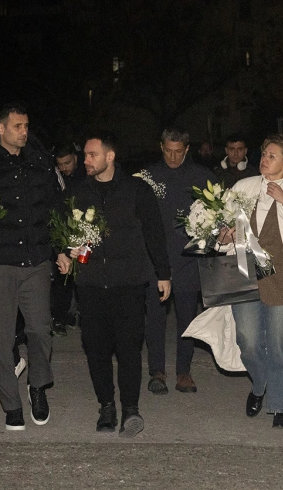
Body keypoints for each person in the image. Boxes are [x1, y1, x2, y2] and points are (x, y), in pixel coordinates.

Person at [184, 135, 283, 429]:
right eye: (264, 154)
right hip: (244, 275)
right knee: (247, 341)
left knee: (279, 345)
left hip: (280, 278)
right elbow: (224, 226)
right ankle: (260, 384)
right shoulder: (243, 187)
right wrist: (223, 237)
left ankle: (280, 406)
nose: (264, 159)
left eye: (272, 156)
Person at [57, 130, 170, 438]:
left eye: (92, 155)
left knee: (129, 349)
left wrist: (163, 273)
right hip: (90, 283)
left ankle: (131, 408)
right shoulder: (78, 192)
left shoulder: (136, 189)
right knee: (96, 349)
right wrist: (64, 252)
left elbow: (154, 232)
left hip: (128, 283)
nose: (86, 160)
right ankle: (106, 406)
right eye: (85, 155)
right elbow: (65, 232)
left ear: (110, 156)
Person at [0, 102, 59, 431]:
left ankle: (37, 386)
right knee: (1, 339)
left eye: (26, 125)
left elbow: (55, 207)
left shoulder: (40, 161)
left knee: (40, 330)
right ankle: (12, 404)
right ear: (0, 128)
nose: (24, 131)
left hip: (36, 261)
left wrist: (61, 247)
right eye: (18, 126)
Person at [142, 126, 217, 395]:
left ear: (187, 149)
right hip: (155, 259)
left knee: (187, 318)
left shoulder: (203, 177)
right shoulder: (147, 177)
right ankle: (157, 371)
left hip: (188, 259)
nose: (172, 158)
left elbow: (219, 214)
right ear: (161, 147)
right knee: (155, 319)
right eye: (168, 151)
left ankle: (184, 371)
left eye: (178, 152)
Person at [50, 142, 85, 334]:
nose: (64, 168)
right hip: (62, 231)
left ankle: (79, 314)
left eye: (67, 163)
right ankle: (59, 317)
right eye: (60, 164)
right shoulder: (55, 178)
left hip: (83, 230)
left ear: (76, 159)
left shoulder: (85, 174)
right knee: (62, 277)